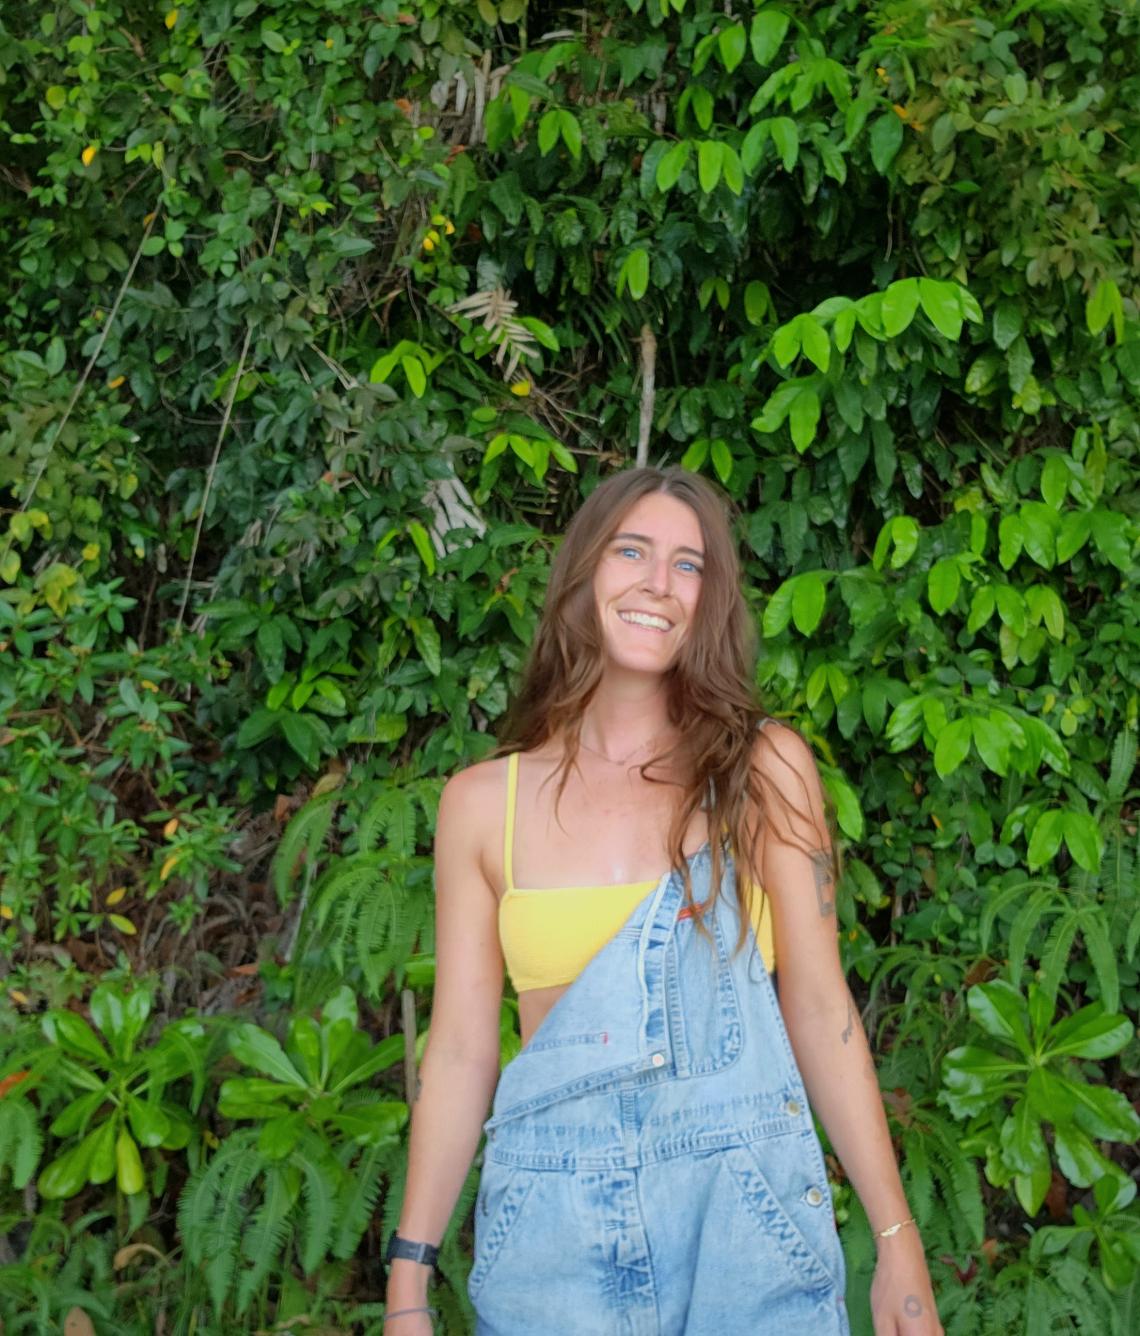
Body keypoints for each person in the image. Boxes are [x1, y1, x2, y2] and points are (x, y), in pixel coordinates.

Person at [383, 467, 942, 1335]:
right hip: (550, 1236)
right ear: (584, 575)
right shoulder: (479, 804)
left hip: (746, 1224)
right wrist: (409, 1275)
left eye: (689, 566)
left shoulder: (763, 771)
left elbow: (822, 1008)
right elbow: (458, 1054)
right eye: (632, 551)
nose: (657, 583)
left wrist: (896, 1236)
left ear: (710, 600)